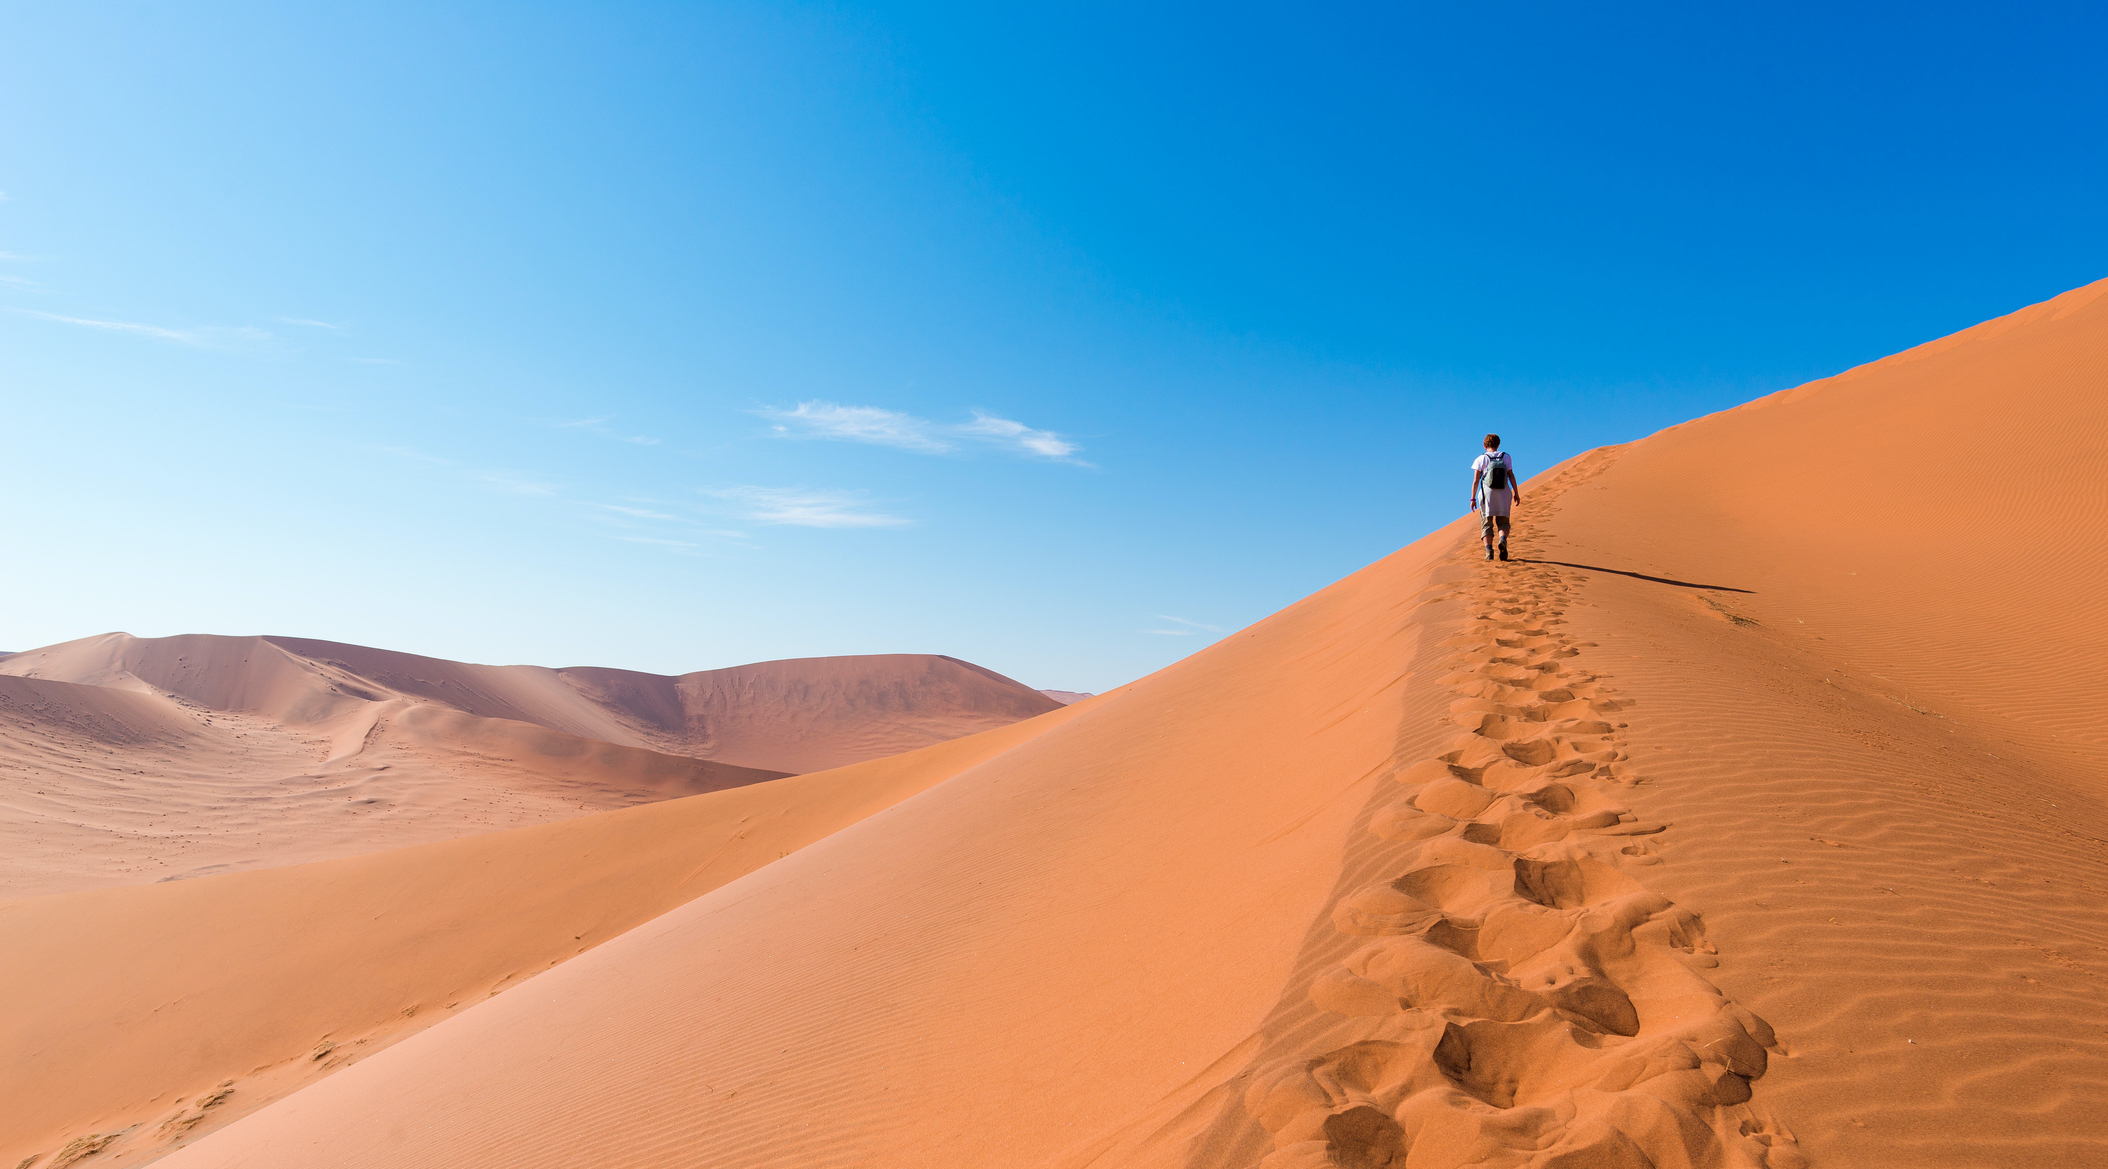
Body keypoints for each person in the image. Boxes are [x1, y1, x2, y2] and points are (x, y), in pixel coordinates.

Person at [1470, 434, 1519, 561]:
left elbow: (1476, 480)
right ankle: (1502, 539)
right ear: (1498, 444)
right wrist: (1516, 493)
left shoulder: (1481, 459)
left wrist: (1473, 498)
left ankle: (1489, 551)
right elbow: (1511, 475)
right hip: (1504, 492)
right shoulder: (1506, 457)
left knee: (1487, 524)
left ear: (1484, 445)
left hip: (1487, 494)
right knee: (1503, 522)